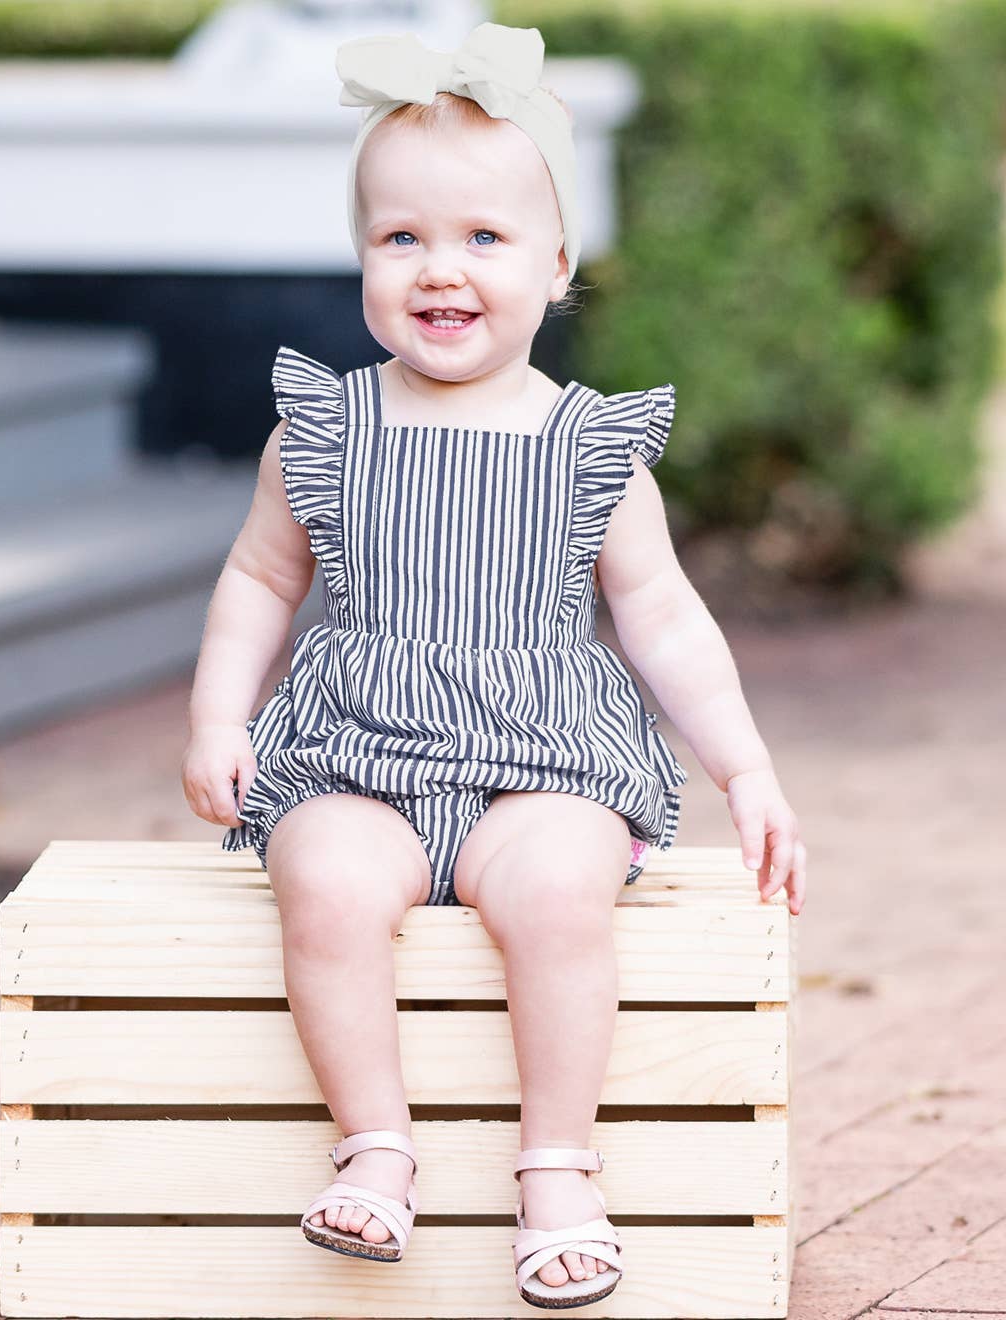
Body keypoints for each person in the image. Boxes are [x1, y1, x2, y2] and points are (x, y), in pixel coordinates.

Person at [182, 20, 806, 1310]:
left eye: (482, 238)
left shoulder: (589, 443)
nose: (438, 269)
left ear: (560, 262)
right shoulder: (325, 425)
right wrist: (216, 718)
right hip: (357, 746)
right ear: (360, 255)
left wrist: (743, 766)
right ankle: (374, 1142)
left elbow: (665, 617)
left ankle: (560, 1166)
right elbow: (259, 578)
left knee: (563, 895)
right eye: (400, 236)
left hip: (544, 757)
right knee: (327, 883)